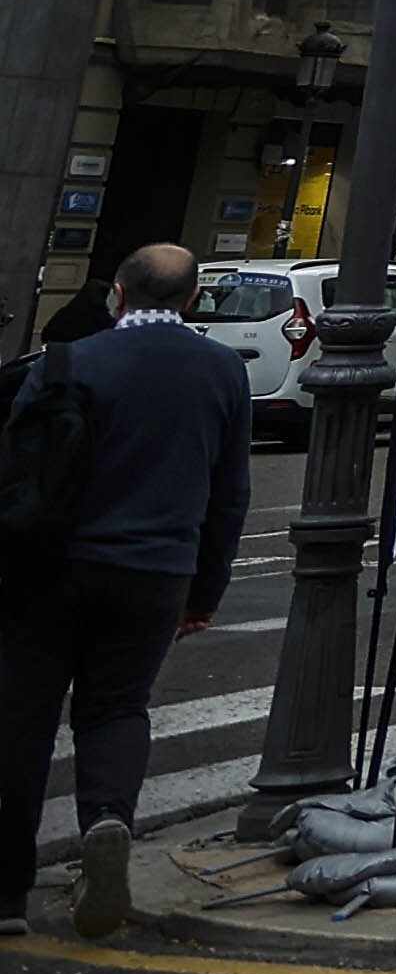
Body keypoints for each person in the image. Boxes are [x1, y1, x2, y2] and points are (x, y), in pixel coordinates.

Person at [0, 249, 246, 938]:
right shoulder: (223, 370)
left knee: (21, 717)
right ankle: (107, 820)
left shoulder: (70, 362)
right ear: (193, 299)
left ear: (117, 294)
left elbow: (18, 472)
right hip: (157, 570)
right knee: (115, 708)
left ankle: (6, 893)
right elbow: (230, 496)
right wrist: (206, 591)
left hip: (51, 567)